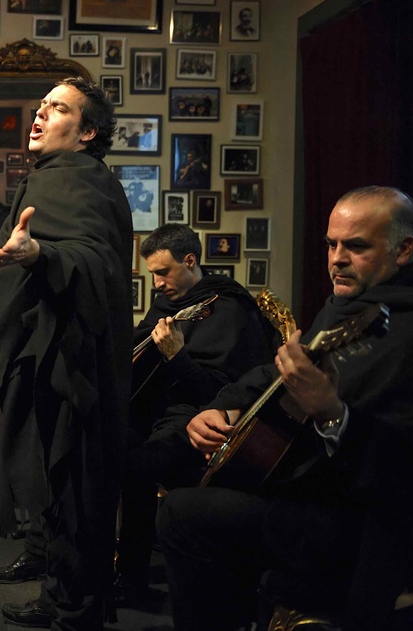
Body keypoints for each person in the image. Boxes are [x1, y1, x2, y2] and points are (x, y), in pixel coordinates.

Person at [158, 186, 413, 631]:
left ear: (404, 249)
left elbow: (409, 468)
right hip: (309, 490)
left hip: (362, 526)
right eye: (331, 244)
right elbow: (276, 371)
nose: (336, 258)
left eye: (356, 246)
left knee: (184, 516)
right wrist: (223, 407)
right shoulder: (349, 304)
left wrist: (331, 413)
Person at [0, 77, 133, 628]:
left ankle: (73, 612)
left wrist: (40, 253)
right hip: (57, 365)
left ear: (87, 132)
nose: (39, 115)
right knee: (58, 489)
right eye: (41, 106)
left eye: (57, 109)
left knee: (73, 490)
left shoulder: (78, 178)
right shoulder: (56, 176)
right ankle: (60, 599)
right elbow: (27, 265)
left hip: (73, 371)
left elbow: (91, 261)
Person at [114, 224, 279, 603]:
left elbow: (218, 394)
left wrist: (176, 354)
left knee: (138, 464)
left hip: (198, 417)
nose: (156, 283)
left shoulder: (229, 308)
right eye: (152, 273)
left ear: (190, 261)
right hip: (155, 409)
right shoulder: (168, 302)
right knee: (101, 441)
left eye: (163, 272)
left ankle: (132, 577)